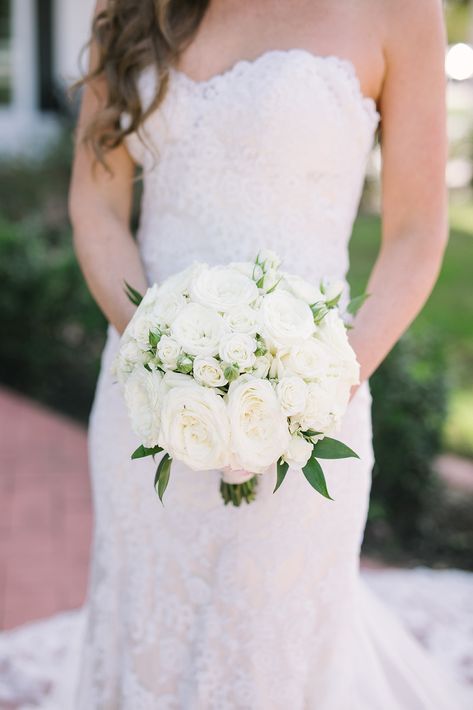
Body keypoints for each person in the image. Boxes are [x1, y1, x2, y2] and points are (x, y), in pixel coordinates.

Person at [61, 0, 471, 707]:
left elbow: (415, 233)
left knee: (271, 648)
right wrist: (157, 359)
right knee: (146, 627)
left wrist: (319, 386)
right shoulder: (128, 5)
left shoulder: (401, 9)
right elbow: (96, 206)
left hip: (310, 406)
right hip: (145, 398)